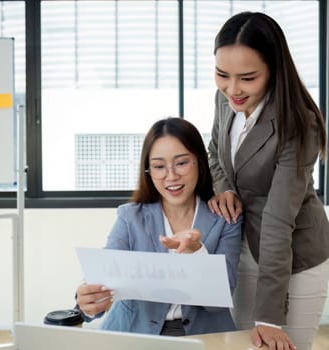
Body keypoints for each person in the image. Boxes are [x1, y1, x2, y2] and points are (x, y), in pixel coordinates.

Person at [207, 12, 329, 350]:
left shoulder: (298, 123)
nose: (232, 89)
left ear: (274, 71)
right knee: (241, 342)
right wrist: (224, 188)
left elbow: (279, 221)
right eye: (222, 74)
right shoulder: (225, 101)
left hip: (297, 255)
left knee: (281, 344)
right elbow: (213, 154)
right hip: (245, 242)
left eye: (247, 78)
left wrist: (269, 318)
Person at [75, 117, 242, 336]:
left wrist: (197, 253)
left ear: (200, 162)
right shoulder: (130, 216)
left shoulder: (225, 217)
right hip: (134, 333)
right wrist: (87, 301)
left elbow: (219, 300)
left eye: (181, 163)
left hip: (203, 336)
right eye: (159, 166)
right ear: (149, 171)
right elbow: (106, 275)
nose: (171, 176)